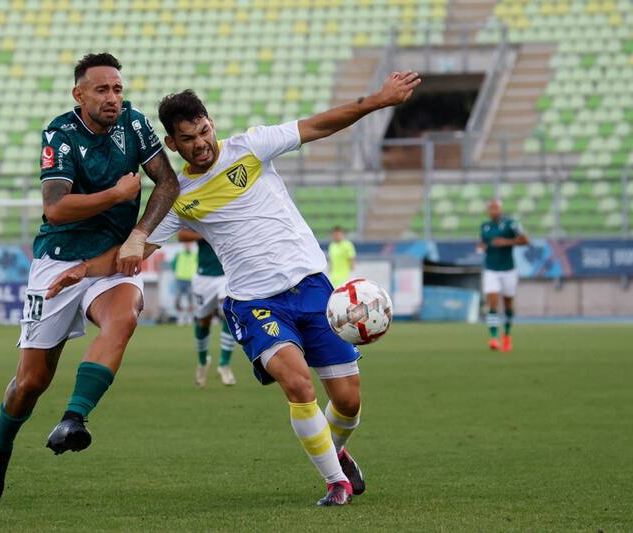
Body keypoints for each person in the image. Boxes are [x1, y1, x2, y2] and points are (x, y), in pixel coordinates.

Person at [47, 71, 421, 506]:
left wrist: (378, 100)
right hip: (256, 303)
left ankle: (334, 451)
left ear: (212, 123)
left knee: (348, 402)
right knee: (298, 384)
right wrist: (83, 270)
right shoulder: (179, 196)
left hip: (314, 290)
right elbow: (135, 251)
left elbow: (318, 124)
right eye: (188, 139)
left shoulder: (252, 146)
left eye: (204, 131)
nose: (200, 143)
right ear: (172, 144)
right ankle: (335, 483)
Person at [0, 52, 179, 499]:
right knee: (31, 383)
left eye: (118, 89)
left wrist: (139, 234)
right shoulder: (60, 134)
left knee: (124, 316)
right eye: (102, 90)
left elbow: (168, 183)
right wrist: (117, 194)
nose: (113, 98)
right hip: (58, 260)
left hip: (112, 260)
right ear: (79, 94)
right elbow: (55, 207)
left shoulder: (135, 124)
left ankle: (73, 419)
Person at [177, 229, 237, 387]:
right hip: (203, 277)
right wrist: (206, 233)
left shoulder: (231, 216)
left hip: (226, 275)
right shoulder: (201, 216)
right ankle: (203, 362)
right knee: (203, 322)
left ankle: (224, 364)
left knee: (229, 312)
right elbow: (182, 235)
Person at [478, 199, 528, 352]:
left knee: (508, 303)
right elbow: (482, 243)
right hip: (491, 269)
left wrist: (506, 242)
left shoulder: (511, 224)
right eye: (491, 208)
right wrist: (481, 247)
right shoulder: (485, 226)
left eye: (496, 208)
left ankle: (506, 334)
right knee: (492, 301)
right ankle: (494, 338)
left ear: (500, 210)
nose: (493, 211)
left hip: (508, 269)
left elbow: (525, 240)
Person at [171, 241, 197, 325]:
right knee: (178, 298)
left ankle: (190, 317)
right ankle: (180, 316)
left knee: (191, 299)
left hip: (191, 280)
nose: (187, 245)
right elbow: (173, 265)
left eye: (189, 244)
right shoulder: (179, 255)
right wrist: (177, 273)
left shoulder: (195, 256)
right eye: (186, 244)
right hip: (180, 279)